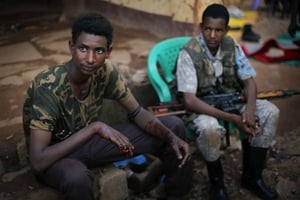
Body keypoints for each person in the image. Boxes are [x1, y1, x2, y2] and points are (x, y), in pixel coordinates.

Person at [23, 12, 193, 200]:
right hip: (56, 156)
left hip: (90, 144)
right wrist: (95, 128)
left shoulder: (106, 71)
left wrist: (170, 136)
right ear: (71, 47)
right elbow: (38, 161)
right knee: (77, 178)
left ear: (109, 51)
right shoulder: (48, 87)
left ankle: (176, 194)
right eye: (83, 48)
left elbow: (137, 112)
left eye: (98, 51)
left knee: (174, 127)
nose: (90, 59)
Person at [175, 3, 279, 200]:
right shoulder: (188, 53)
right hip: (202, 106)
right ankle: (217, 184)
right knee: (209, 129)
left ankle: (252, 177)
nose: (212, 35)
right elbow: (189, 100)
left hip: (231, 99)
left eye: (218, 30)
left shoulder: (232, 46)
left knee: (269, 112)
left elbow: (249, 82)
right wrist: (233, 118)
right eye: (208, 29)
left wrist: (248, 110)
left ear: (226, 30)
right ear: (201, 27)